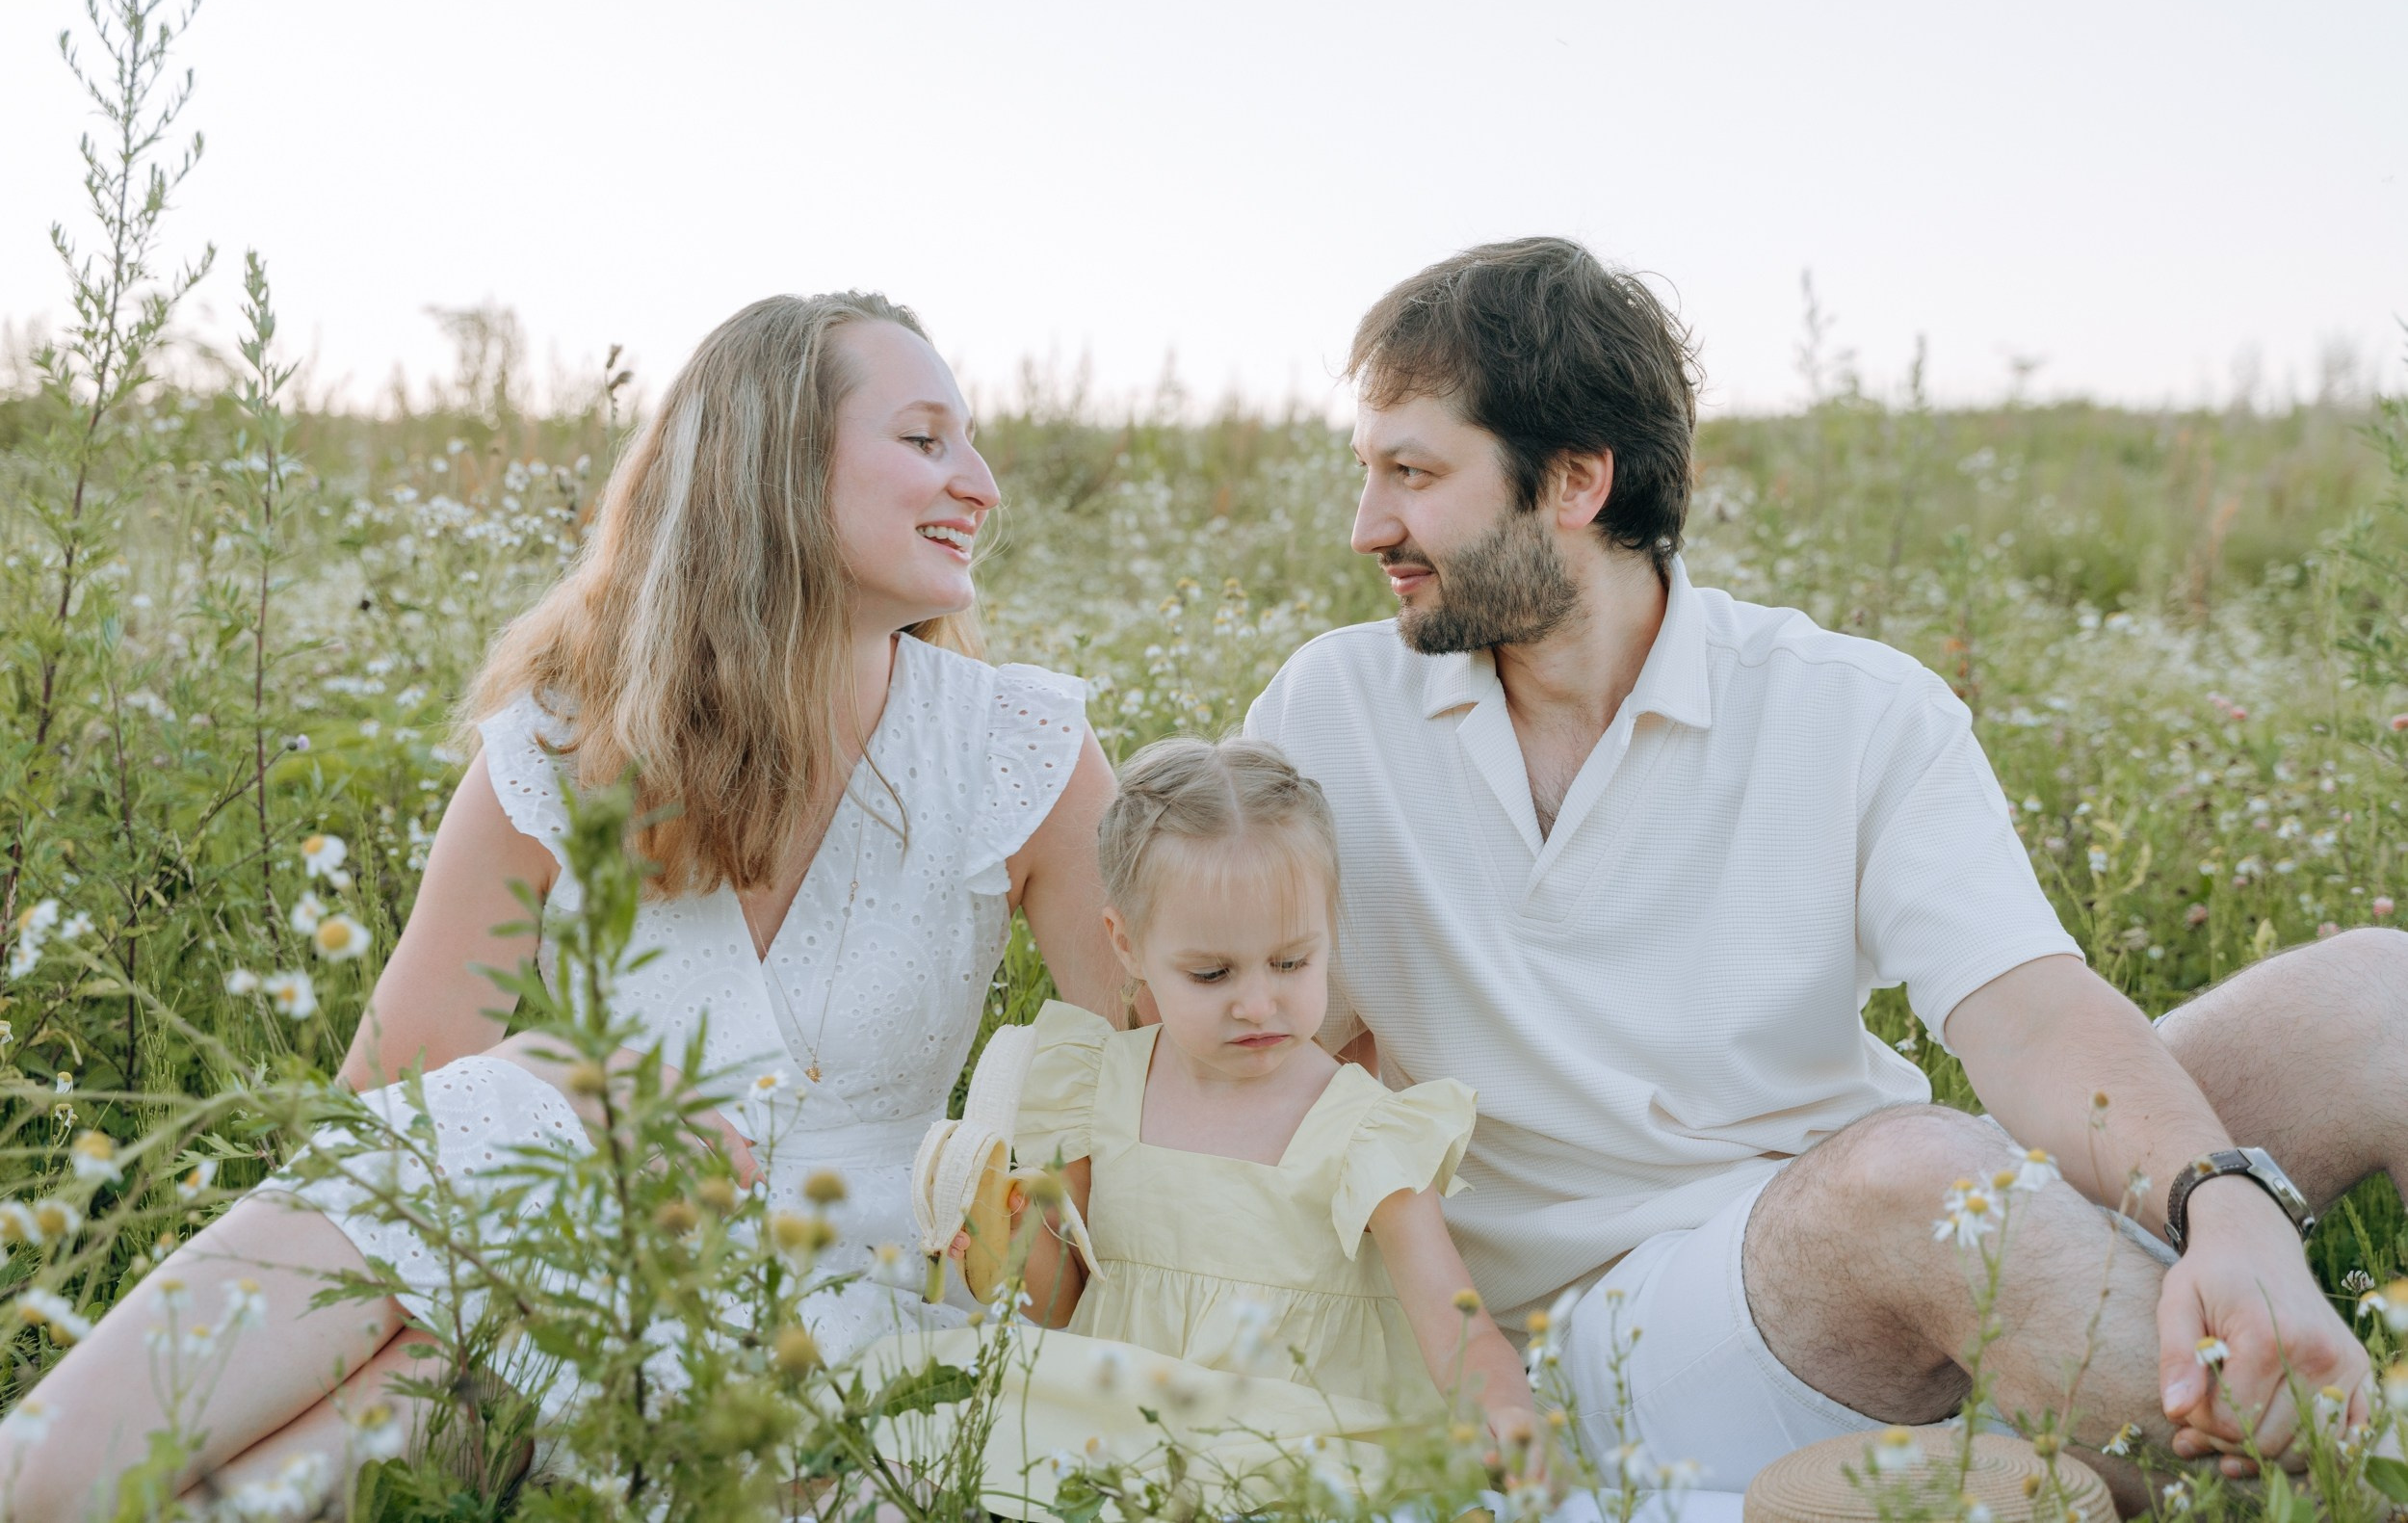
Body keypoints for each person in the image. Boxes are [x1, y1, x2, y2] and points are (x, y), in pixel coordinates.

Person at [1245, 236, 2398, 1503]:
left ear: (1574, 480)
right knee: (1908, 1176)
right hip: (1607, 1340)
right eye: (1370, 471)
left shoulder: (1848, 705)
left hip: (1897, 1261)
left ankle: (2074, 1450)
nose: (1370, 526)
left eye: (1412, 472)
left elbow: (2029, 1015)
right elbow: (1228, 1035)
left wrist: (2222, 1203)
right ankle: (2353, 1463)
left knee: (2374, 995)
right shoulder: (1329, 708)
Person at [0, 292, 1125, 1511]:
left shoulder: (1020, 746)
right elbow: (389, 1106)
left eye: (968, 441)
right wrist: (561, 1081)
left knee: (263, 1489)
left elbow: (1169, 1077)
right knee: (66, 1474)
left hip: (825, 1317)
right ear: (772, 463)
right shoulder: (567, 732)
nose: (982, 484)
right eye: (923, 439)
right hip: (556, 1209)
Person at [886, 736, 1536, 1517]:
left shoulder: (1368, 1132)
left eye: (1291, 963)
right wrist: (1000, 1248)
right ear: (1126, 943)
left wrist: (1504, 1411)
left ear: (1328, 931)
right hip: (1121, 1430)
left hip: (1291, 1442)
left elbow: (1454, 1326)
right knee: (928, 1402)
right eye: (1212, 973)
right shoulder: (1098, 1086)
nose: (1258, 1003)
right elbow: (1062, 1302)